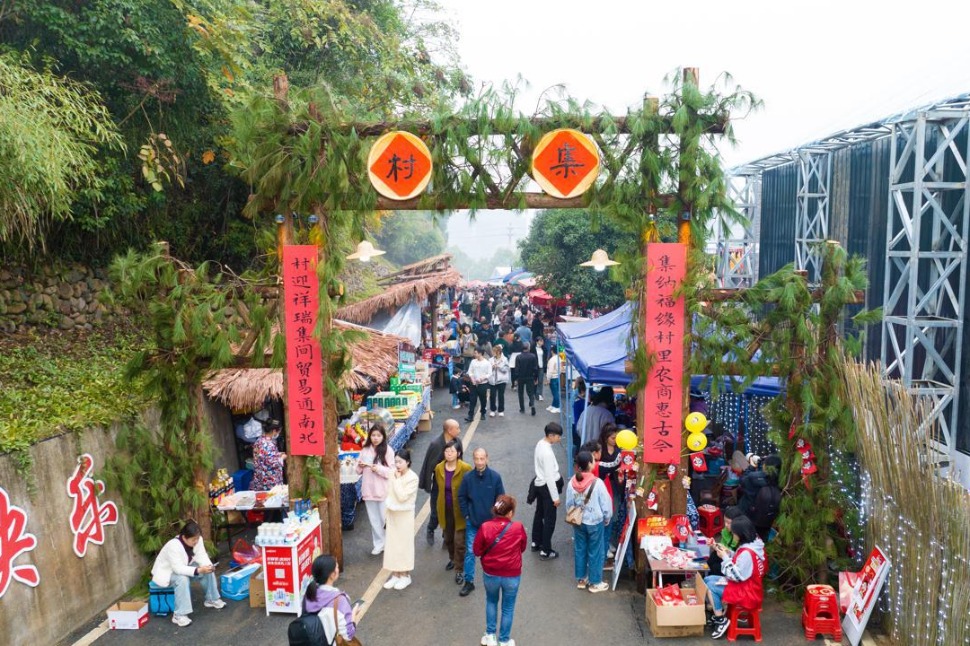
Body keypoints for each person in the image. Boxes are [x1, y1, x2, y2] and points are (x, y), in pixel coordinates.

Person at [473, 495, 527, 646]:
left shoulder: (485, 527)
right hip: (512, 574)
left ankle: (490, 635)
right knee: (508, 607)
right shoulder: (517, 527)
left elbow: (477, 550)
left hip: (491, 573)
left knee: (491, 601)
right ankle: (504, 640)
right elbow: (522, 547)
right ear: (510, 513)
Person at [151, 520, 226, 627]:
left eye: (197, 538)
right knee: (182, 578)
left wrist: (209, 566)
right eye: (193, 539)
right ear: (184, 537)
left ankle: (212, 599)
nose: (196, 541)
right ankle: (179, 615)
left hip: (183, 568)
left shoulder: (197, 539)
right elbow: (178, 569)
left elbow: (201, 555)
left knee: (207, 569)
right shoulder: (173, 545)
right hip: (166, 574)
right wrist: (199, 570)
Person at [704, 516, 767, 639]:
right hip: (750, 586)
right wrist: (727, 552)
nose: (733, 535)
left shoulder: (747, 553)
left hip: (747, 593)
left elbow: (736, 576)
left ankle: (720, 620)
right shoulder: (754, 544)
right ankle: (719, 615)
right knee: (707, 579)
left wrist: (725, 558)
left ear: (740, 533)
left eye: (734, 533)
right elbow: (742, 565)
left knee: (710, 585)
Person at [458, 448, 506, 598]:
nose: (479, 462)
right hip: (473, 523)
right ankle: (469, 582)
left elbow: (501, 499)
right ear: (473, 459)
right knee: (471, 552)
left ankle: (495, 579)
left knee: (493, 552)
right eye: (476, 459)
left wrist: (496, 518)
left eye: (482, 458)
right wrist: (466, 515)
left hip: (491, 525)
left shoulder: (495, 477)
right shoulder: (467, 478)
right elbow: (461, 497)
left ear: (487, 458)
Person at [566, 451, 613, 593]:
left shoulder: (572, 482)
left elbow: (569, 504)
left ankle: (581, 579)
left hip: (578, 521)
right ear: (589, 465)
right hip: (595, 521)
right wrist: (607, 518)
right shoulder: (597, 483)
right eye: (593, 461)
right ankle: (595, 582)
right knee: (596, 552)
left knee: (580, 549)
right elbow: (606, 504)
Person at [418, 419, 464, 545]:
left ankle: (447, 536)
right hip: (439, 485)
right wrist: (428, 483)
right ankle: (431, 529)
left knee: (451, 512)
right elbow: (429, 466)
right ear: (450, 430)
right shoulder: (436, 444)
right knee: (437, 512)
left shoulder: (457, 442)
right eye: (457, 428)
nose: (459, 431)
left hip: (453, 484)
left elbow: (460, 461)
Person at [303, 555, 362, 644]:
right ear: (332, 575)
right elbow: (348, 635)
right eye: (337, 567)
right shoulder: (340, 601)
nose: (338, 569)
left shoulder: (309, 594)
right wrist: (353, 613)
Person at [436, 441, 472, 585]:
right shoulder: (439, 468)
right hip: (445, 509)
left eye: (452, 451)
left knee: (459, 542)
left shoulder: (465, 468)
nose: (449, 454)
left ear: (458, 453)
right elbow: (438, 490)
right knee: (448, 539)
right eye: (446, 451)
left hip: (460, 510)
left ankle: (459, 569)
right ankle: (452, 558)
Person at [383, 448, 419, 591]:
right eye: (396, 461)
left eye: (400, 462)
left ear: (408, 462)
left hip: (404, 515)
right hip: (392, 513)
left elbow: (402, 496)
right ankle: (395, 574)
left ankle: (405, 575)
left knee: (404, 545)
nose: (397, 465)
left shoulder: (413, 477)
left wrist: (397, 481)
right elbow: (389, 493)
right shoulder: (393, 474)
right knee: (392, 544)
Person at [356, 424, 395, 555]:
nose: (375, 438)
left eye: (378, 435)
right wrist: (360, 466)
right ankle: (379, 544)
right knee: (374, 520)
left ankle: (390, 543)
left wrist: (378, 468)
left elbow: (392, 472)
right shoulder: (365, 449)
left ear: (383, 436)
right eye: (373, 435)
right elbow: (357, 471)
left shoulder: (388, 450)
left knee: (385, 519)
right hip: (369, 490)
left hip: (383, 491)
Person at [532, 422, 563, 559]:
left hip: (539, 485)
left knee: (539, 514)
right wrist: (555, 497)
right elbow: (550, 477)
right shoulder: (547, 453)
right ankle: (546, 549)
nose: (559, 438)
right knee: (549, 520)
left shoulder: (540, 444)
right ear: (551, 436)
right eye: (558, 436)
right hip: (547, 487)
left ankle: (535, 541)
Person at [748, 459, 782, 541]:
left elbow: (746, 479)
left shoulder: (758, 480)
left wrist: (751, 467)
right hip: (769, 519)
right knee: (763, 536)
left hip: (755, 517)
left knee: (752, 537)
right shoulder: (780, 482)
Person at [251, 419, 286, 491]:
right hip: (269, 479)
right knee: (271, 498)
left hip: (260, 476)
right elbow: (272, 463)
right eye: (278, 431)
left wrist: (278, 454)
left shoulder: (259, 440)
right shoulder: (268, 444)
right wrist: (282, 457)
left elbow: (264, 456)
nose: (278, 433)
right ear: (274, 431)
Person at [708, 506, 743, 576]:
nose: (726, 525)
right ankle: (707, 575)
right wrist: (714, 545)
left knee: (716, 567)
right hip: (726, 555)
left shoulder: (740, 536)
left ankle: (712, 578)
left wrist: (725, 553)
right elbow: (723, 547)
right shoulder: (726, 532)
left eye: (729, 523)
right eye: (725, 521)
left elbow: (738, 558)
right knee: (713, 556)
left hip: (733, 563)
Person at [466, 346, 492, 422]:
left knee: (483, 400)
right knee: (472, 400)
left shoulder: (487, 363)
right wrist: (472, 378)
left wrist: (482, 378)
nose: (474, 354)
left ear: (480, 353)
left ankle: (483, 413)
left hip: (483, 384)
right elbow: (470, 371)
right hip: (473, 384)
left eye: (475, 353)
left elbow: (489, 374)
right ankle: (470, 416)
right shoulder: (473, 361)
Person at [515, 342, 539, 416]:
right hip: (530, 376)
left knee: (520, 393)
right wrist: (536, 378)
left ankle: (522, 408)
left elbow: (516, 369)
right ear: (528, 348)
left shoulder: (518, 357)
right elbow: (535, 368)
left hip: (521, 377)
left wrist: (516, 379)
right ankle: (532, 405)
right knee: (530, 392)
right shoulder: (533, 356)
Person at [488, 344, 510, 417]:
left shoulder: (505, 359)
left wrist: (499, 367)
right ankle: (493, 410)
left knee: (501, 396)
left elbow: (506, 369)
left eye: (494, 351)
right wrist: (492, 367)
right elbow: (487, 370)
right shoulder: (490, 360)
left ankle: (501, 410)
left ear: (498, 352)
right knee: (492, 396)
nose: (493, 353)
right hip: (492, 380)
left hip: (502, 380)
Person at [545, 343, 561, 414]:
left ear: (551, 351)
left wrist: (548, 379)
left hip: (553, 378)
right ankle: (554, 405)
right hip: (557, 377)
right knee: (556, 392)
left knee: (555, 393)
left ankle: (557, 407)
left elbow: (550, 371)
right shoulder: (559, 358)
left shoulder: (552, 360)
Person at [571, 378, 587, 449]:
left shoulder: (576, 398)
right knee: (578, 444)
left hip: (575, 424)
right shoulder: (581, 402)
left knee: (576, 443)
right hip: (579, 425)